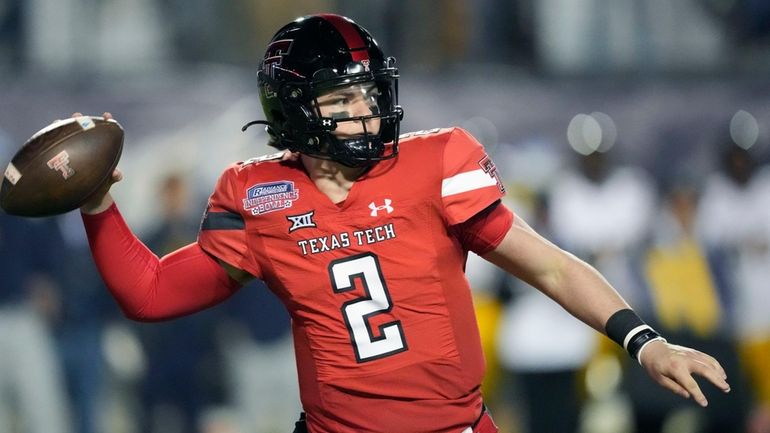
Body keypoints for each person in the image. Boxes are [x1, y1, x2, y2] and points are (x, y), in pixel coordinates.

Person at [76, 14, 730, 433]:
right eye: (342, 99)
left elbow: (550, 264)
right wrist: (98, 205)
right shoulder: (258, 194)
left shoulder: (436, 163)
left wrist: (645, 341)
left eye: (370, 93)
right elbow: (153, 292)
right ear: (294, 110)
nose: (365, 111)